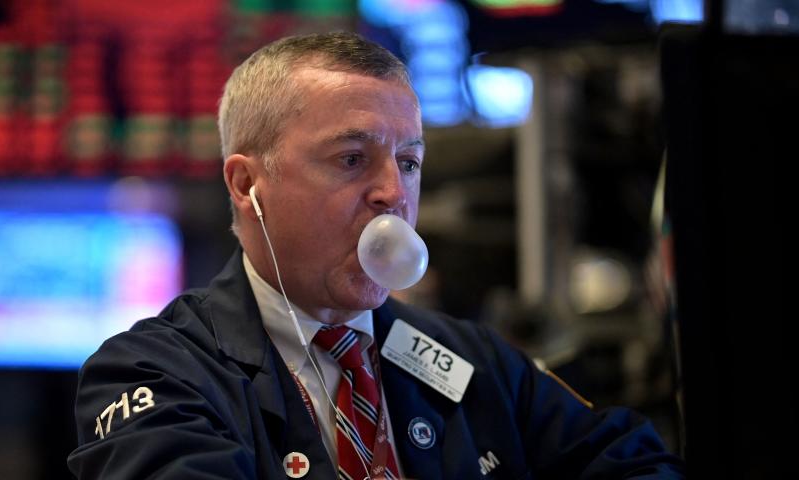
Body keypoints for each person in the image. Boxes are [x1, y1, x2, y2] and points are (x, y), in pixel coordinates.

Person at [67, 31, 684, 479]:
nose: (394, 192)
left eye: (409, 162)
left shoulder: (471, 358)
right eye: (353, 159)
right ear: (246, 186)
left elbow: (638, 465)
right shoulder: (155, 374)